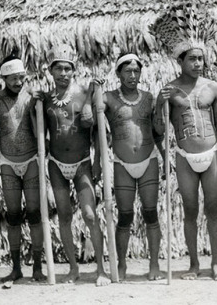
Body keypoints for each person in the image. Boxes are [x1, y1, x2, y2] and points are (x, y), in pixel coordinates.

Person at [34, 44, 111, 285]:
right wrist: (34, 104)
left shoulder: (84, 93)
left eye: (68, 68)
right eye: (59, 69)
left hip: (82, 164)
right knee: (64, 216)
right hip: (56, 165)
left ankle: (101, 269)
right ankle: (73, 269)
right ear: (51, 71)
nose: (63, 73)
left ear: (73, 70)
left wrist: (98, 161)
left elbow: (101, 132)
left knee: (89, 214)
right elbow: (38, 131)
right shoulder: (45, 99)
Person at [155, 48, 217, 281]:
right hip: (184, 156)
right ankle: (194, 264)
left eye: (201, 59)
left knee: (213, 210)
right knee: (190, 211)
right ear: (180, 61)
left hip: (213, 154)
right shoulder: (169, 91)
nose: (198, 63)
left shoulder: (213, 88)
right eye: (192, 59)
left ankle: (216, 263)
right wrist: (160, 104)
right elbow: (158, 129)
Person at [93, 53, 164, 281]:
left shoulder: (149, 98)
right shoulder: (108, 98)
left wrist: (166, 158)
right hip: (122, 163)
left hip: (149, 159)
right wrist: (92, 91)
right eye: (128, 71)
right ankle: (121, 264)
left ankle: (154, 264)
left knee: (150, 213)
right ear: (118, 73)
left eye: (136, 71)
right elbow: (91, 117)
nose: (133, 76)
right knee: (125, 215)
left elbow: (158, 132)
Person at [0, 54, 46, 283]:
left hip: (31, 162)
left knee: (35, 213)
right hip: (8, 162)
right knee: (13, 215)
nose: (18, 82)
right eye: (13, 78)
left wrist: (40, 104)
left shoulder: (31, 98)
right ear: (4, 78)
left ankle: (37, 266)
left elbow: (41, 132)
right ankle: (16, 268)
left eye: (21, 77)